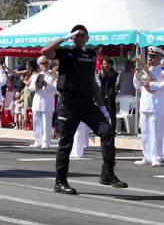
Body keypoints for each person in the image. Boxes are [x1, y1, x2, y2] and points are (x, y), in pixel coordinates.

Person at [41, 25, 127, 194]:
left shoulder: (90, 54)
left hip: (87, 102)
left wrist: (102, 107)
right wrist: (64, 37)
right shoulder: (66, 51)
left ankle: (107, 174)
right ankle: (60, 181)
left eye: (82, 35)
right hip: (69, 103)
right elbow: (45, 51)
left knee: (107, 131)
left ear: (87, 37)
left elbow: (93, 84)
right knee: (66, 143)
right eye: (76, 35)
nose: (78, 37)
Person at [132, 46, 164, 166]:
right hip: (145, 105)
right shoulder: (145, 70)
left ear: (159, 57)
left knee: (157, 133)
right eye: (149, 56)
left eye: (153, 56)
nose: (150, 58)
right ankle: (147, 156)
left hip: (157, 106)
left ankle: (157, 158)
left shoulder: (162, 70)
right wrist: (136, 74)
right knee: (145, 133)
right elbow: (136, 86)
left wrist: (151, 84)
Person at [28, 56, 56, 149]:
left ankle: (45, 142)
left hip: (47, 101)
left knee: (46, 123)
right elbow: (30, 88)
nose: (45, 65)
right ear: (39, 65)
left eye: (46, 63)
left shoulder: (53, 75)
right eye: (43, 64)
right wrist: (36, 85)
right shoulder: (35, 75)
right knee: (36, 122)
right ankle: (37, 141)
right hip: (37, 101)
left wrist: (46, 85)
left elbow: (56, 90)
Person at [99, 58, 119, 132]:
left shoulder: (114, 73)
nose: (103, 65)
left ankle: (112, 129)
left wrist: (103, 73)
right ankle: (104, 128)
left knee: (111, 112)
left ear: (110, 65)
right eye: (103, 63)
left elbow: (108, 78)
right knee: (102, 112)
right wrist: (99, 74)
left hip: (110, 95)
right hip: (103, 94)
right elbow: (99, 82)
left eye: (105, 63)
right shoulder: (102, 73)